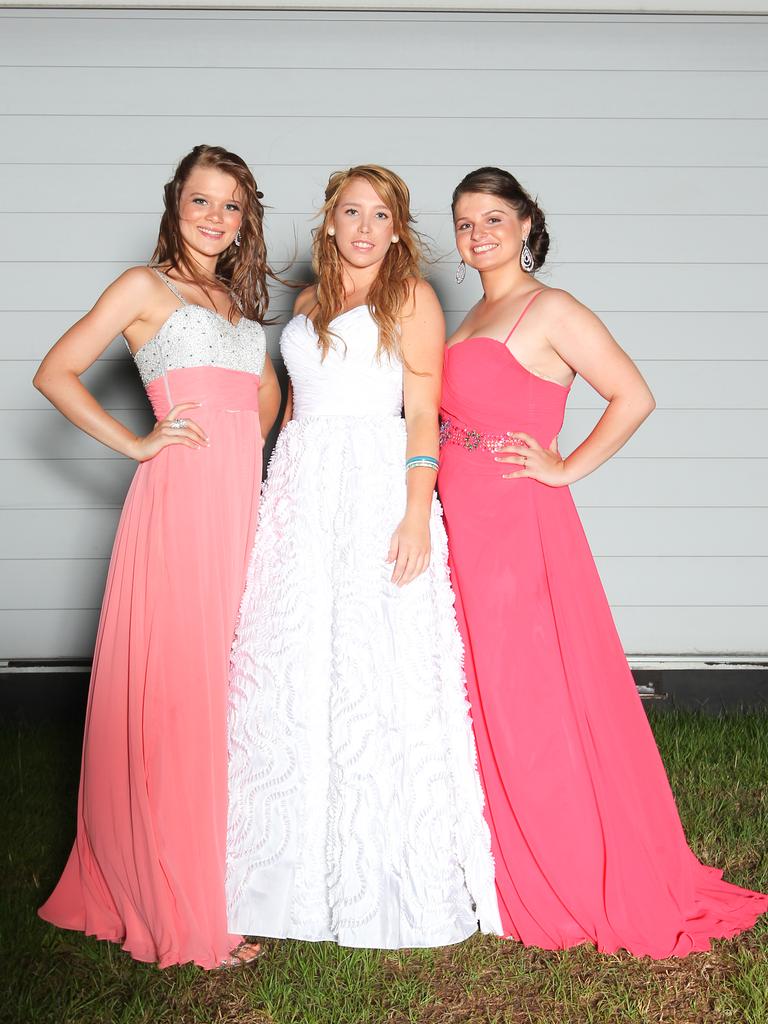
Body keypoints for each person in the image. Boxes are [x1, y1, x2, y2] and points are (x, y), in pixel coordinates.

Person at [437, 165, 768, 958]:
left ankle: (567, 864)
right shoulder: (477, 311)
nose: (476, 234)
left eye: (492, 218)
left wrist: (563, 467)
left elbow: (633, 395)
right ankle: (493, 854)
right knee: (480, 688)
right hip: (464, 518)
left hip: (516, 522)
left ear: (525, 225)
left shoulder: (549, 308)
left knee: (529, 697)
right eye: (463, 222)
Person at [226, 164, 500, 949]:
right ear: (332, 219)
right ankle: (279, 874)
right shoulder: (308, 303)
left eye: (382, 215)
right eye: (353, 211)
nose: (365, 227)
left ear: (397, 228)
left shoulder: (411, 299)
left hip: (377, 491)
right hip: (303, 487)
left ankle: (377, 870)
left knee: (376, 666)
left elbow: (422, 417)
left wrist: (416, 513)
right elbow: (278, 403)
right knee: (290, 660)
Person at [35, 145, 280, 969]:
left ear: (245, 218)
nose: (215, 218)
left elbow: (263, 399)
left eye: (232, 206)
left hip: (237, 514)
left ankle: (225, 869)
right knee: (180, 694)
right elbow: (54, 372)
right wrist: (141, 444)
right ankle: (179, 901)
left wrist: (253, 455)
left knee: (227, 688)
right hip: (177, 512)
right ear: (175, 205)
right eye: (201, 202)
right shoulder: (146, 288)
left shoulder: (238, 304)